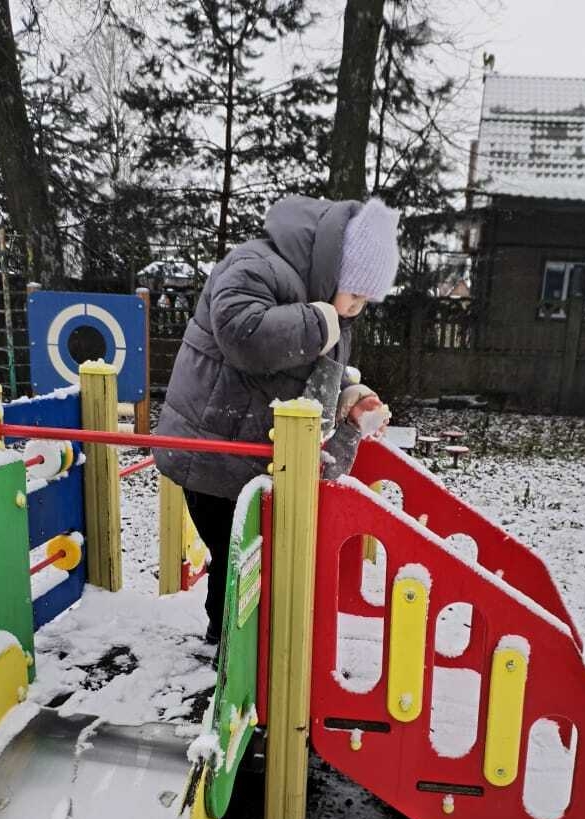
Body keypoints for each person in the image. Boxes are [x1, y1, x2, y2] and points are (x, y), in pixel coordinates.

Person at [153, 195, 400, 647]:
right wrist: (320, 322)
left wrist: (348, 395)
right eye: (355, 292)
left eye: (367, 299)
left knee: (250, 556)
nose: (356, 307)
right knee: (239, 556)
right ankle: (231, 649)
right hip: (212, 452)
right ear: (334, 269)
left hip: (249, 457)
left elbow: (310, 372)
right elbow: (243, 333)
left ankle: (238, 647)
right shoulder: (255, 266)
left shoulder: (322, 306)